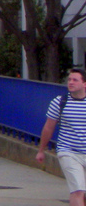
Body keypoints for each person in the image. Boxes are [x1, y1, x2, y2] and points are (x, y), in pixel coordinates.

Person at [38, 68, 86, 206]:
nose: (70, 82)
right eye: (69, 79)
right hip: (69, 152)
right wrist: (41, 150)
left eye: (75, 80)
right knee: (77, 190)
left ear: (84, 84)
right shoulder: (60, 102)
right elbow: (49, 127)